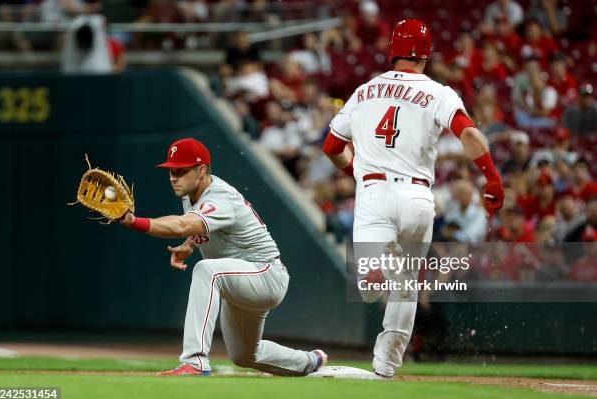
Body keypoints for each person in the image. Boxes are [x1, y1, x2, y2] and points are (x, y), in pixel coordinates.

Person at [322, 20, 504, 378]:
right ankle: (386, 366)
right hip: (418, 196)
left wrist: (355, 171)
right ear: (426, 54)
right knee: (406, 285)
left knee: (370, 286)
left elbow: (331, 147)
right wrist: (492, 177)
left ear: (393, 50)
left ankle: (374, 270)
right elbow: (468, 133)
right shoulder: (439, 92)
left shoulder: (364, 91)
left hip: (374, 190)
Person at [118, 138, 327, 376]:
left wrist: (134, 221)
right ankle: (309, 361)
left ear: (201, 170)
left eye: (180, 170)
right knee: (245, 355)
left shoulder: (220, 196)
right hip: (240, 279)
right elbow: (196, 227)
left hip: (266, 274)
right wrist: (189, 245)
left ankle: (195, 362)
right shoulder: (191, 194)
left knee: (207, 270)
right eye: (170, 171)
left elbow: (181, 225)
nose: (173, 177)